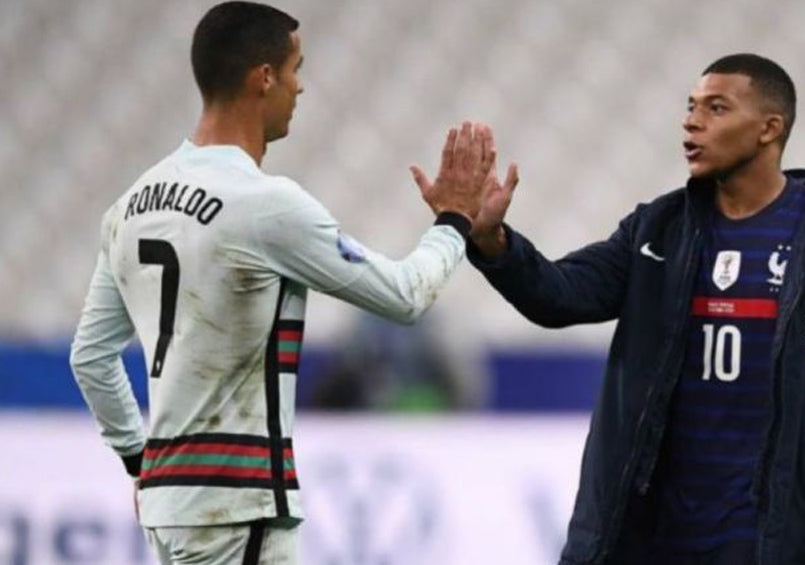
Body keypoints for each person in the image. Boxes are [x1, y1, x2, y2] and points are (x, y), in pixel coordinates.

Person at [456, 53, 805, 564]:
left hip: (772, 547)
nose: (691, 120)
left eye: (716, 107)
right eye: (690, 106)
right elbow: (559, 295)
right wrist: (492, 241)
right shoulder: (658, 229)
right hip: (647, 542)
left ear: (769, 128)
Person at [69, 2, 494, 563]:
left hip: (170, 507)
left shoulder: (129, 207)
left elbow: (91, 357)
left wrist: (138, 460)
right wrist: (455, 222)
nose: (301, 87)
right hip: (236, 505)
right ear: (263, 78)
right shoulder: (265, 207)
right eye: (296, 69)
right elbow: (404, 295)